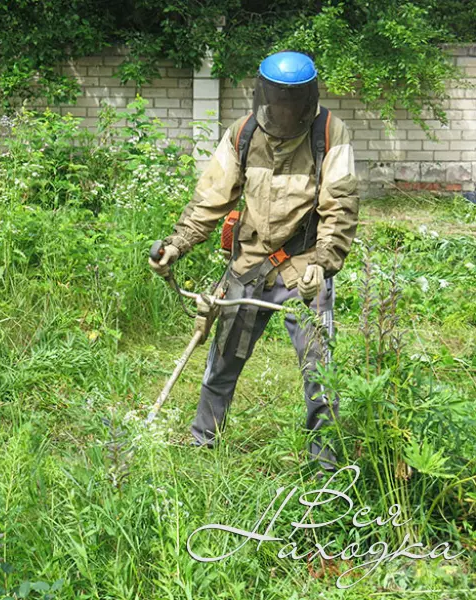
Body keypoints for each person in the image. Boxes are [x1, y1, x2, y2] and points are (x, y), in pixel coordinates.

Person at [149, 51, 359, 473]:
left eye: (291, 100)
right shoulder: (243, 134)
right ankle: (202, 443)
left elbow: (340, 207)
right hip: (249, 264)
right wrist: (177, 244)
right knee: (223, 359)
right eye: (276, 99)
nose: (282, 109)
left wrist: (324, 261)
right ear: (262, 94)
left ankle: (326, 470)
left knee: (319, 370)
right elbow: (211, 198)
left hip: (304, 268)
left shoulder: (330, 134)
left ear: (306, 99)